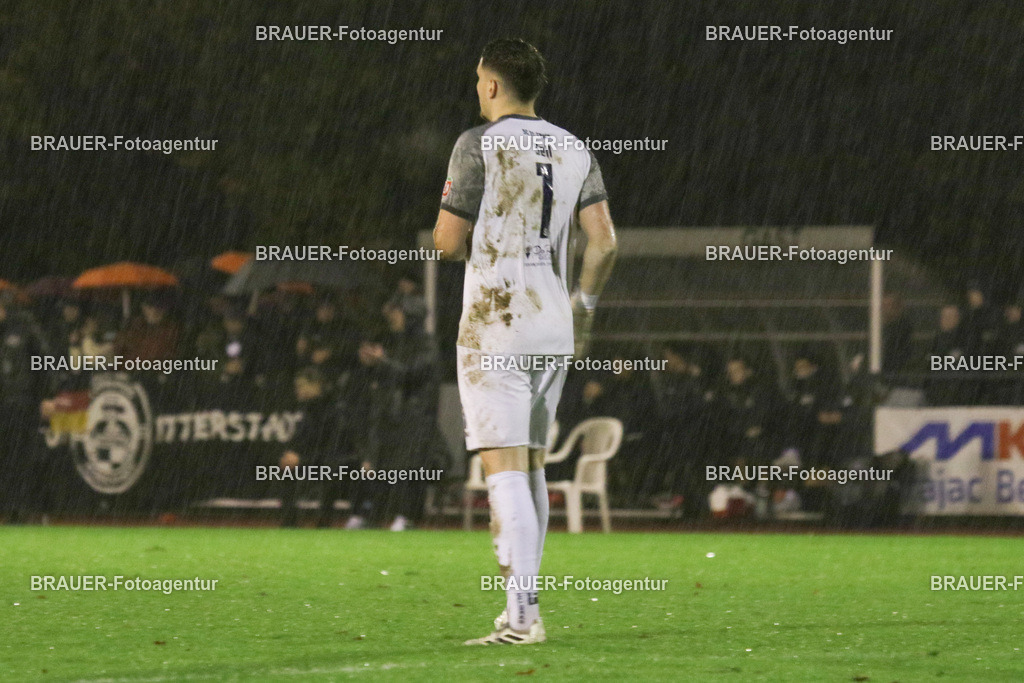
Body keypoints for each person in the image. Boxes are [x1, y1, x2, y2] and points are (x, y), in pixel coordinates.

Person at [433, 38, 616, 645]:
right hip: (553, 321)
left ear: (490, 85)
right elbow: (605, 242)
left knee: (503, 469)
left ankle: (523, 617)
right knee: (532, 460)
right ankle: (524, 609)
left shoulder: (476, 144)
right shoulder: (574, 147)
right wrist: (583, 309)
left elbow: (445, 242)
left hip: (496, 319)